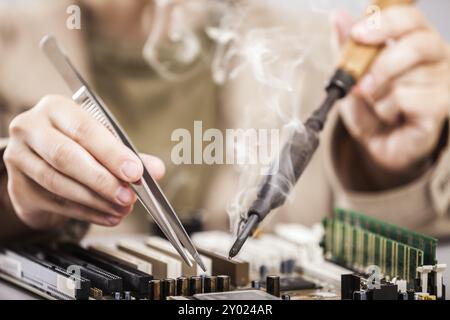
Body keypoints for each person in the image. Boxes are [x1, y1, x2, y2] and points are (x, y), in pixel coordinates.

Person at [0, 0, 449, 244]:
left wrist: (395, 167)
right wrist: (19, 199)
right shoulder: (7, 48)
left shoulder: (319, 53)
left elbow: (406, 253)